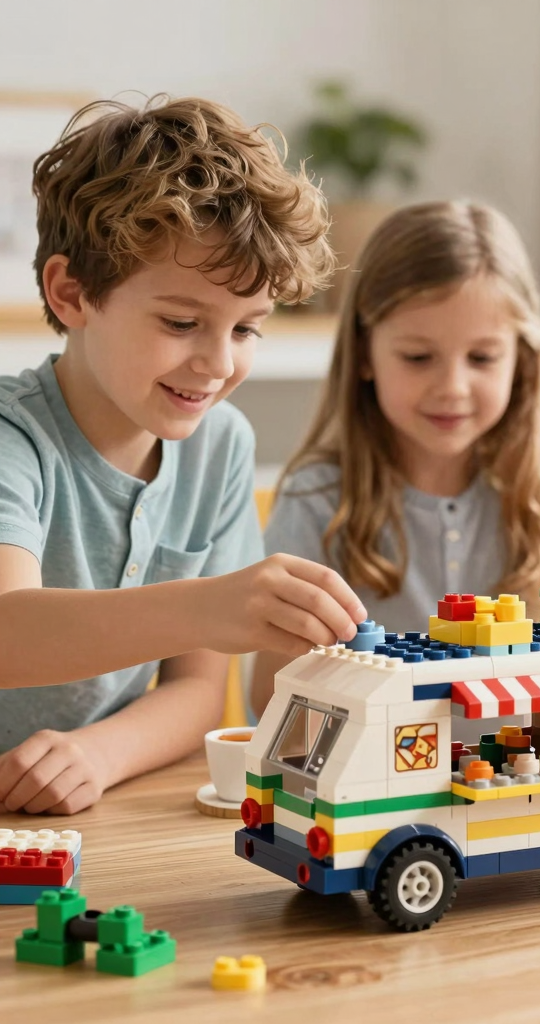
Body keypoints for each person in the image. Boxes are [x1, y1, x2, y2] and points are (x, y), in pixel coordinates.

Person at [0, 95, 367, 815]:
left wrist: (96, 754)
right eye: (181, 321)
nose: (217, 362)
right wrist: (211, 607)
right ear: (70, 293)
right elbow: (9, 631)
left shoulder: (219, 443)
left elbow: (200, 692)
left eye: (247, 329)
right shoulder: (14, 440)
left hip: (74, 818)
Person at [251, 200, 540, 716]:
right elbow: (270, 697)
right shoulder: (317, 499)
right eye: (418, 357)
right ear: (366, 353)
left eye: (482, 358)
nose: (453, 388)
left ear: (521, 361)